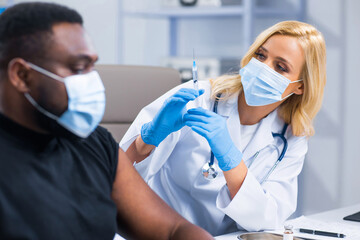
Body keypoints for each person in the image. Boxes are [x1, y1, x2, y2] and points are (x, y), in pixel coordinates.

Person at [0, 2, 213, 240]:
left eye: (93, 65)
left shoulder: (93, 143)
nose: (93, 81)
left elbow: (172, 230)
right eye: (79, 68)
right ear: (21, 75)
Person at [121, 21, 326, 235]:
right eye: (261, 55)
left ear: (300, 86)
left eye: (281, 67)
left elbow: (269, 219)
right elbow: (117, 175)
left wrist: (231, 159)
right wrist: (150, 137)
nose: (264, 68)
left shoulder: (292, 136)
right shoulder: (198, 98)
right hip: (158, 232)